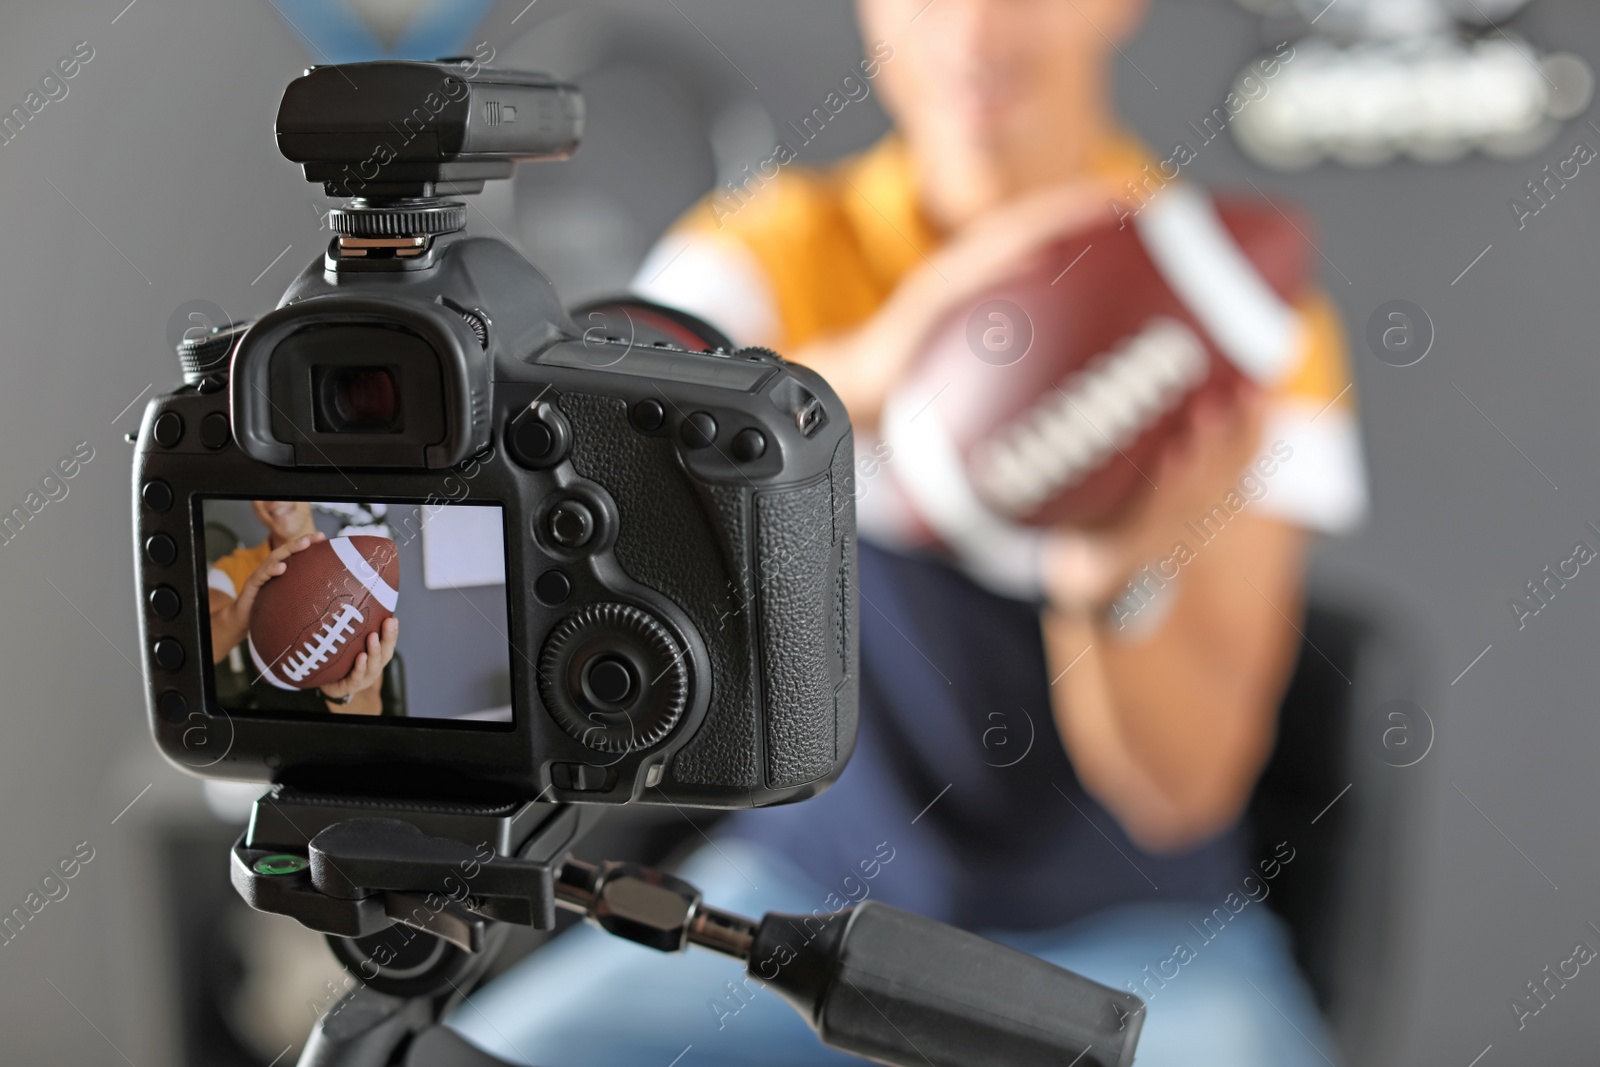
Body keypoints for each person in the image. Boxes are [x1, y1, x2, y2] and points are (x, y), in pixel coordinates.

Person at [453, 0, 1366, 1063]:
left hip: (1133, 941)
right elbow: (587, 478)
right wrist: (874, 369)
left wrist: (1107, 576)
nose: (974, 32)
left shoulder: (1245, 322)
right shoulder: (769, 252)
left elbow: (1178, 792)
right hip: (793, 912)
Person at [207, 500, 399, 716]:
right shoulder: (237, 568)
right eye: (263, 491)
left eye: (283, 485)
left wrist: (341, 694)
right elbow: (199, 647)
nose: (274, 499)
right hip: (275, 727)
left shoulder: (354, 571)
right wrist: (239, 615)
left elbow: (371, 710)